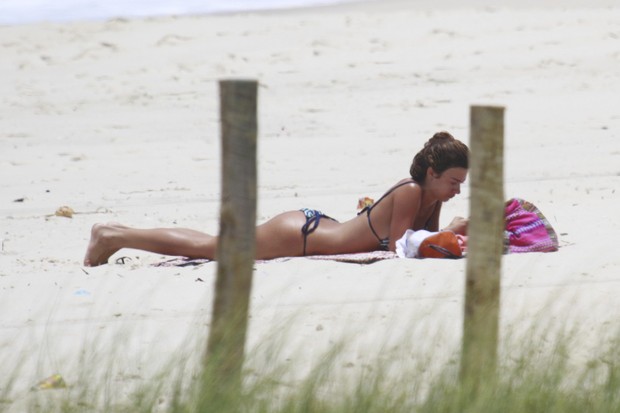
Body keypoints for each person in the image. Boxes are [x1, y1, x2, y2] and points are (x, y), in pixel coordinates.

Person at [83, 131, 469, 266]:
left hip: (314, 228)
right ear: (433, 173)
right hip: (298, 235)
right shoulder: (411, 191)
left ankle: (117, 233)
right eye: (453, 181)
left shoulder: (431, 200)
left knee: (212, 245)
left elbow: (428, 247)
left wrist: (453, 234)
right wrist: (454, 230)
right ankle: (114, 235)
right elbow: (401, 249)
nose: (457, 190)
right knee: (208, 248)